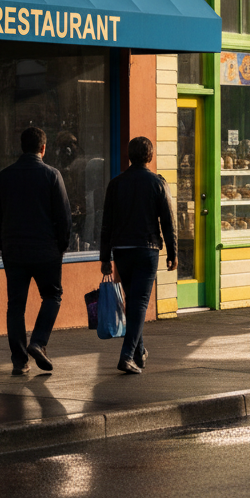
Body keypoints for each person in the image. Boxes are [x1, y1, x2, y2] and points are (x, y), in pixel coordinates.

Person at [0, 127, 72, 376]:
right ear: (43, 148)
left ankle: (19, 359)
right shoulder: (52, 175)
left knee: (15, 306)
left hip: (14, 251)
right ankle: (38, 342)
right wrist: (61, 246)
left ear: (22, 147)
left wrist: (4, 244)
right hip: (46, 250)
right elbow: (64, 217)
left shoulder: (4, 177)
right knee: (52, 296)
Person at [100, 136, 176, 375]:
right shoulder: (157, 183)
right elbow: (168, 221)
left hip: (122, 250)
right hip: (147, 249)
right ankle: (126, 356)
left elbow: (106, 223)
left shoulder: (116, 184)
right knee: (140, 303)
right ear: (150, 157)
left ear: (129, 156)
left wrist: (105, 258)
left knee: (133, 303)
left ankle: (139, 353)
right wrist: (173, 252)